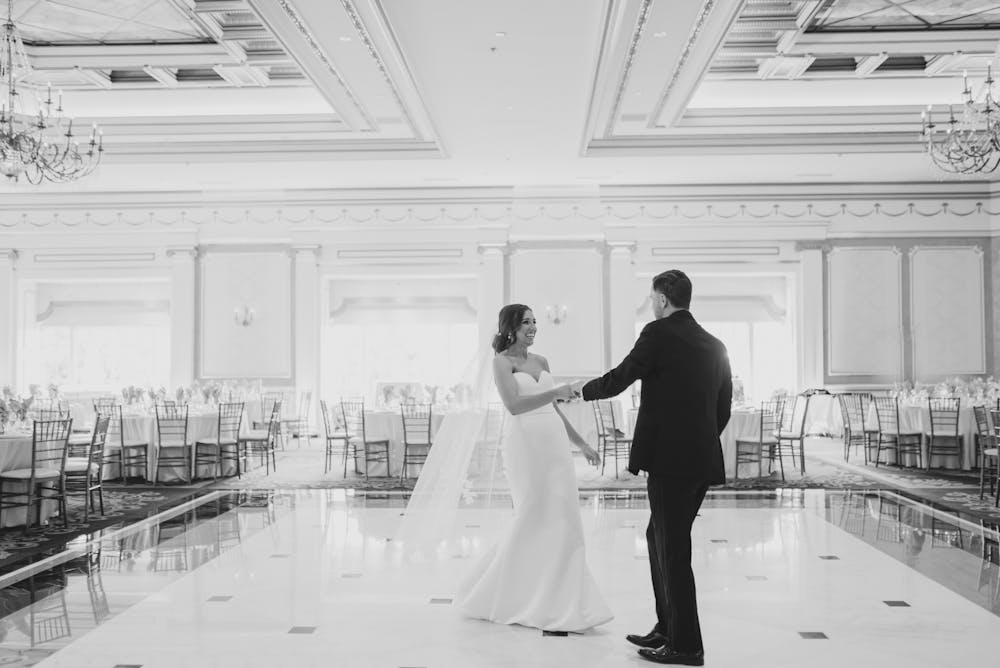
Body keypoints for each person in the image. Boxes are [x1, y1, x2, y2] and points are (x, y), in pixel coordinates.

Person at [574, 269, 732, 666]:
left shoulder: (657, 333)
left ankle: (686, 646)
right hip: (700, 460)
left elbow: (622, 378)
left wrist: (581, 390)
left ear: (662, 299)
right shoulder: (715, 344)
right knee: (658, 537)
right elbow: (723, 409)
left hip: (670, 461)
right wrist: (698, 441)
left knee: (673, 549)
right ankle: (667, 627)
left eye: (652, 298)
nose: (651, 304)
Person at [455, 303, 613, 633]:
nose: (533, 327)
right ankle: (505, 592)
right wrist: (555, 391)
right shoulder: (502, 363)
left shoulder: (542, 362)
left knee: (564, 514)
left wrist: (581, 444)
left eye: (535, 322)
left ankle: (565, 598)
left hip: (554, 444)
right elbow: (514, 406)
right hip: (525, 445)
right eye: (526, 322)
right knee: (533, 513)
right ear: (510, 327)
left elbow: (554, 410)